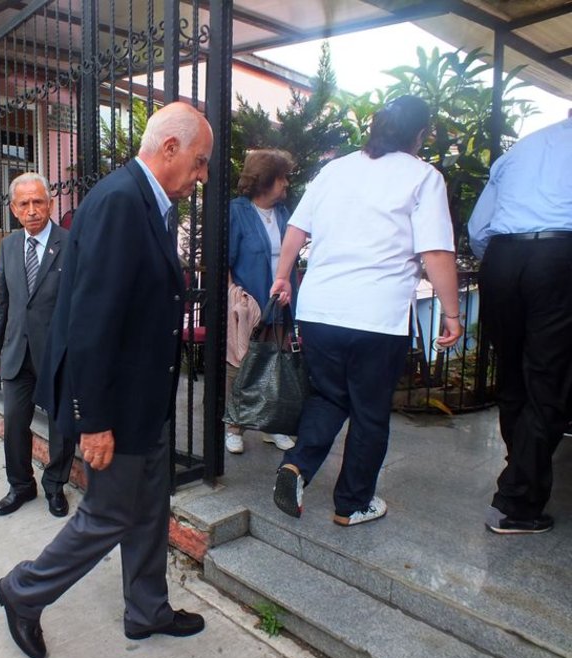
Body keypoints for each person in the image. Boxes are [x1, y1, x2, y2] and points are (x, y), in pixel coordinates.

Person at [0, 102, 213, 658]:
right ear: (170, 148)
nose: (203, 174)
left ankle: (147, 609)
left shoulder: (150, 203)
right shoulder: (120, 201)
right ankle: (23, 592)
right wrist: (93, 420)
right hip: (114, 404)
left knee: (150, 508)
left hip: (147, 397)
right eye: (200, 160)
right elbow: (90, 321)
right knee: (110, 514)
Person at [270, 95, 463, 527]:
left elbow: (297, 228)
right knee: (369, 411)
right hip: (377, 315)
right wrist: (451, 313)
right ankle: (352, 503)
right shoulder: (423, 176)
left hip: (320, 309)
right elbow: (435, 250)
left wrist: (282, 277)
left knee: (327, 396)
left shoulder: (335, 170)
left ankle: (297, 464)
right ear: (419, 134)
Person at [468, 118, 572, 535]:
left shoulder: (524, 147)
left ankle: (520, 469)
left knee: (512, 379)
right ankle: (517, 504)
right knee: (547, 382)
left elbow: (478, 228)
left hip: (502, 258)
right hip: (559, 258)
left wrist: (502, 259)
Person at [0, 172, 76, 518]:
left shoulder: (71, 242)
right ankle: (21, 485)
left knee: (61, 428)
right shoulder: (8, 246)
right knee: (14, 424)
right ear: (13, 209)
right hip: (17, 353)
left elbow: (81, 302)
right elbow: (1, 302)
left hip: (57, 354)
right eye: (24, 204)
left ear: (50, 203)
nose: (32, 210)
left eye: (38, 201)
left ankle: (55, 486)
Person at [226, 149, 297, 455]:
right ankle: (235, 426)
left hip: (281, 303)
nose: (286, 184)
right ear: (266, 180)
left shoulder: (283, 213)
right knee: (243, 365)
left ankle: (272, 424)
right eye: (281, 178)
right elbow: (224, 260)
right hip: (251, 304)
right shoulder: (237, 211)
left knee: (277, 363)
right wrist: (234, 297)